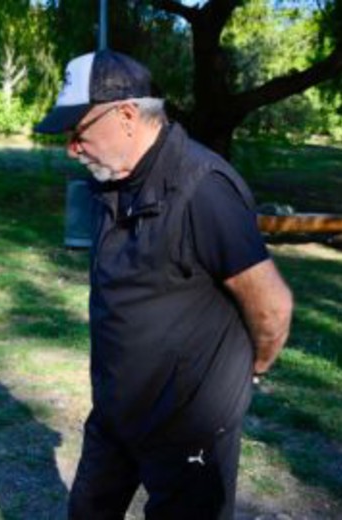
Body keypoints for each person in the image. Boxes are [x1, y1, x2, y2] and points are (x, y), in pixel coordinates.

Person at [35, 50, 294, 519]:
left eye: (79, 133)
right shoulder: (113, 180)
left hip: (187, 425)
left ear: (128, 116)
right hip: (116, 410)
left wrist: (246, 373)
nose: (72, 148)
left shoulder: (203, 188)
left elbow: (272, 308)